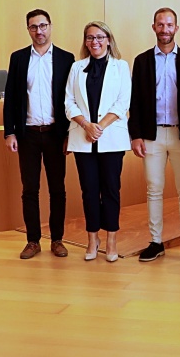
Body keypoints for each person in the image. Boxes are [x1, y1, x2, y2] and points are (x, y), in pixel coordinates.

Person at [3, 9, 76, 260]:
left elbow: (72, 98)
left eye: (43, 25)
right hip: (28, 135)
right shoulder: (19, 58)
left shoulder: (66, 58)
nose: (39, 31)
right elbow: (11, 98)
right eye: (34, 27)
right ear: (28, 30)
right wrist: (10, 132)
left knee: (58, 189)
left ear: (50, 26)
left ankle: (57, 240)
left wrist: (69, 134)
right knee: (30, 190)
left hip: (56, 134)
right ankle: (33, 241)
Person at [129, 7, 180, 264]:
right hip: (152, 135)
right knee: (154, 189)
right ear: (153, 27)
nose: (165, 29)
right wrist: (135, 135)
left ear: (176, 28)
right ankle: (156, 242)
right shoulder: (142, 61)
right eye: (160, 24)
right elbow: (135, 101)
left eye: (169, 25)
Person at [65, 21, 131, 263]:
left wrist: (99, 127)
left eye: (100, 37)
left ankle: (111, 239)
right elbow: (68, 102)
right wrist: (86, 125)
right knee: (89, 191)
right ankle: (93, 240)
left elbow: (123, 103)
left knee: (111, 190)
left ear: (109, 40)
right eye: (90, 37)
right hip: (83, 138)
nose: (95, 42)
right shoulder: (77, 67)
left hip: (111, 138)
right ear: (85, 41)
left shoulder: (121, 67)